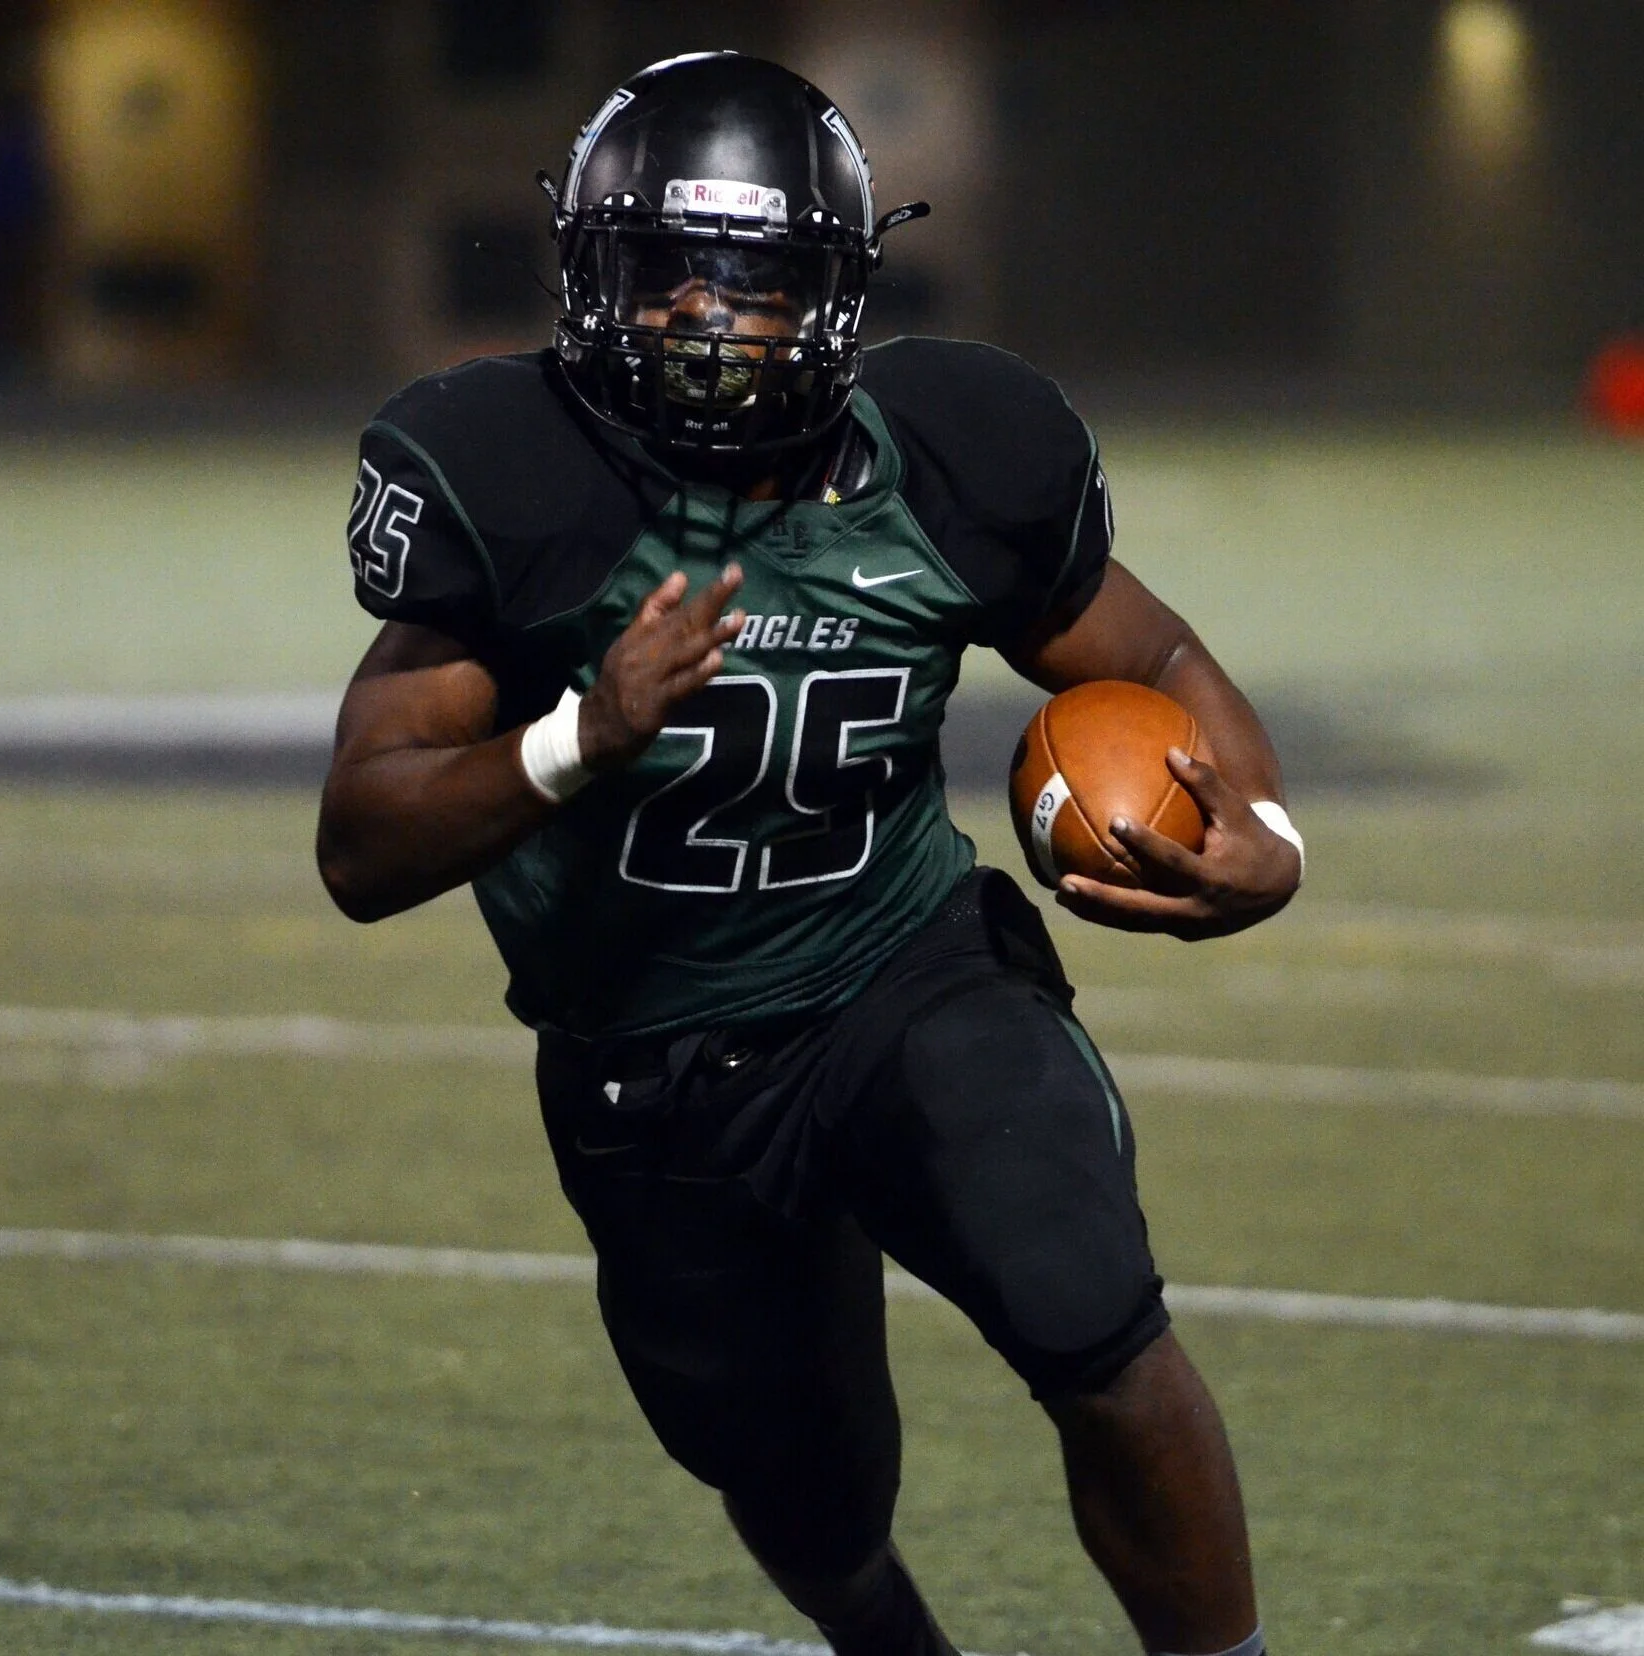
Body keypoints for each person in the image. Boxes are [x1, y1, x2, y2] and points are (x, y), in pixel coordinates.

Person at [317, 51, 1302, 1656]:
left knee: (1094, 1317)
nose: (706, 315)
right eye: (664, 273)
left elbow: (1167, 660)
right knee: (808, 1493)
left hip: (903, 977)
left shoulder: (960, 453)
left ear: (836, 297)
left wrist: (1268, 838)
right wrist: (578, 736)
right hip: (652, 1064)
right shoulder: (515, 476)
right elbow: (363, 840)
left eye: (752, 280)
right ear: (585, 276)